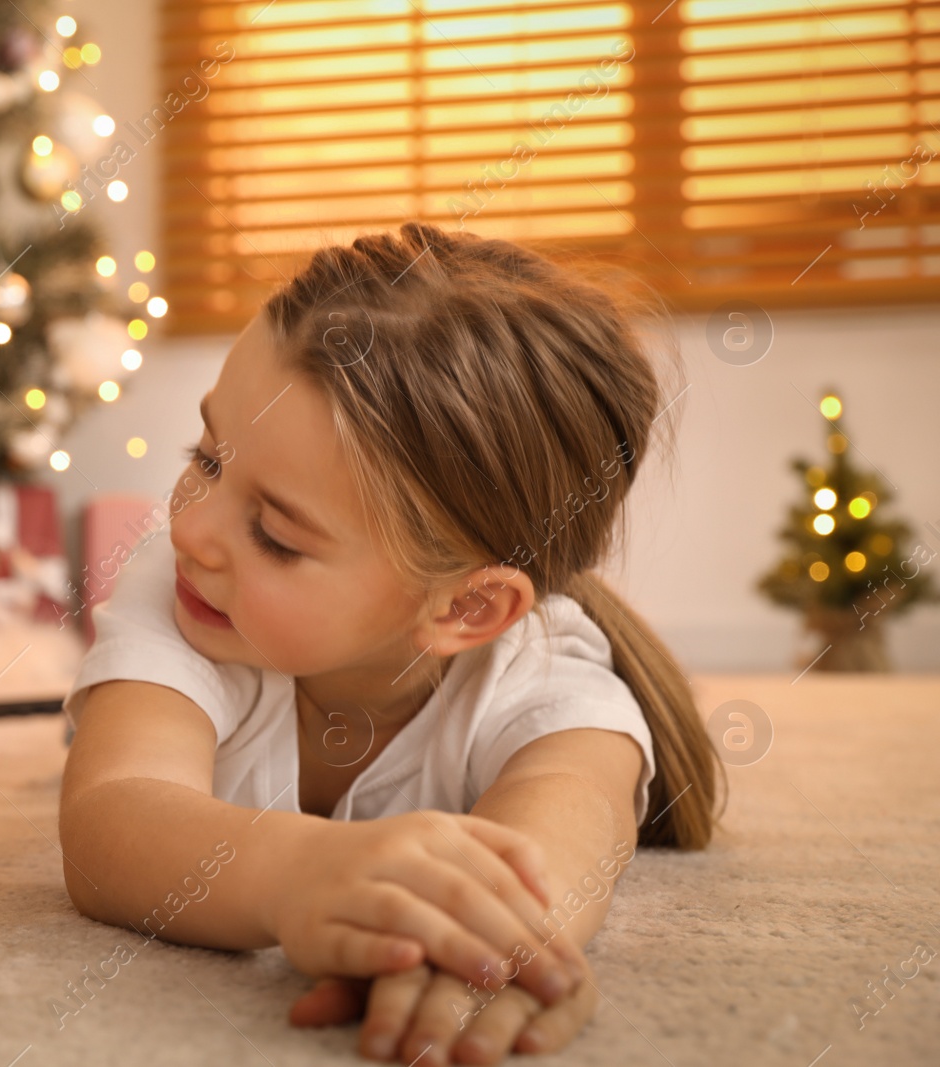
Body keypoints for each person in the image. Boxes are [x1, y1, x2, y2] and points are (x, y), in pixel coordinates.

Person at [57, 221, 722, 1065]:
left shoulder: (548, 676)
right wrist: (300, 874)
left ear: (469, 608)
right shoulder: (187, 592)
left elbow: (559, 853)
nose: (189, 527)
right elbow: (110, 814)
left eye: (275, 534)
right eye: (209, 458)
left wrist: (483, 953)